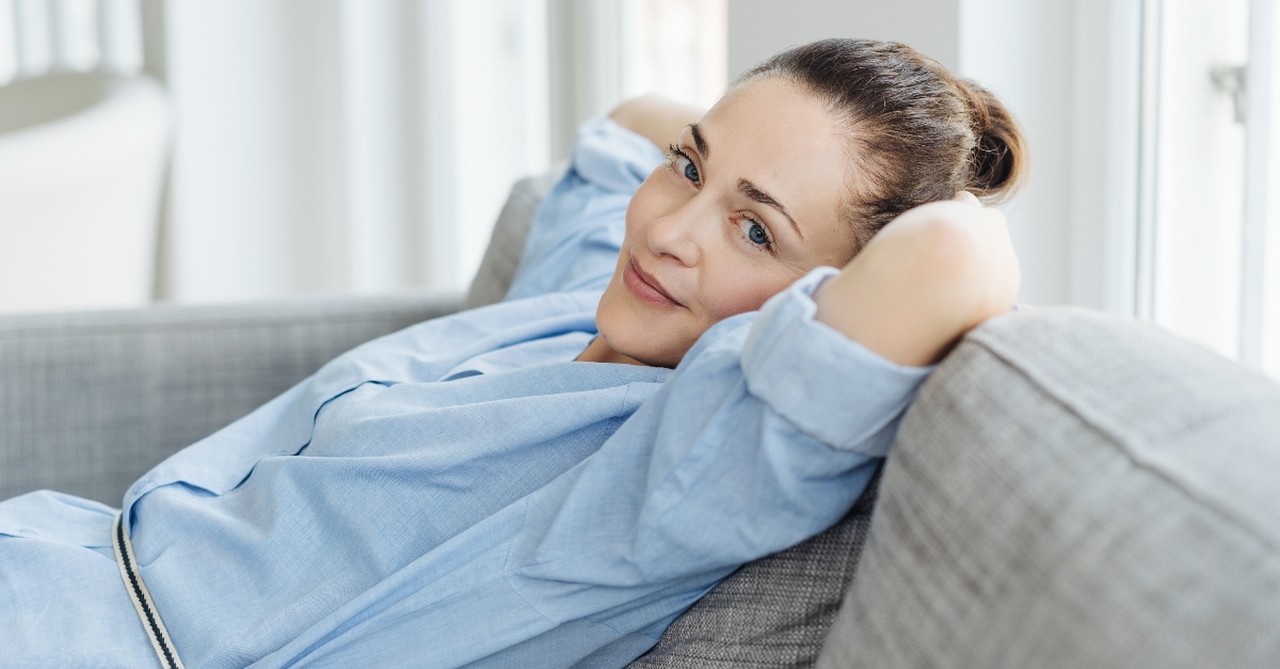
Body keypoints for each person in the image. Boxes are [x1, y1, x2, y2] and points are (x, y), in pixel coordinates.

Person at [1, 38, 1024, 667]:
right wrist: (741, 165)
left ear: (813, 300)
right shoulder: (588, 305)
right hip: (49, 559)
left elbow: (947, 256)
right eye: (688, 170)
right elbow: (629, 123)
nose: (670, 230)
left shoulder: (675, 472)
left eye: (754, 232)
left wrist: (939, 179)